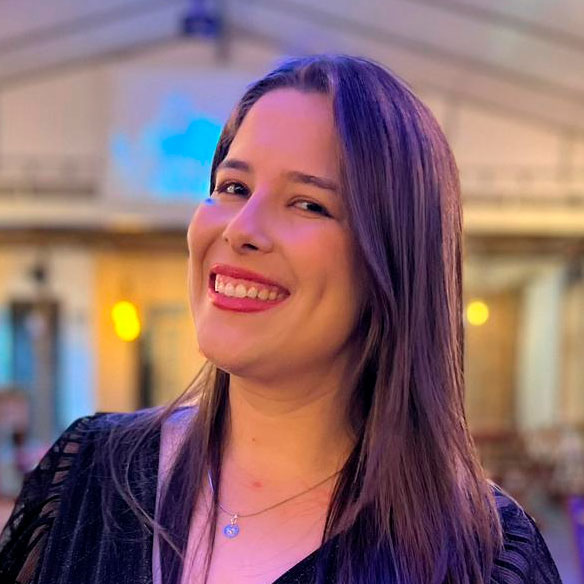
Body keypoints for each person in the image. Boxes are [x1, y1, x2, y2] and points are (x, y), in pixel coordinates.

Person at [0, 55, 562, 584]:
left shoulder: (482, 556)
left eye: (308, 203)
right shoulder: (85, 477)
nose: (241, 228)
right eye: (233, 187)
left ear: (394, 260)